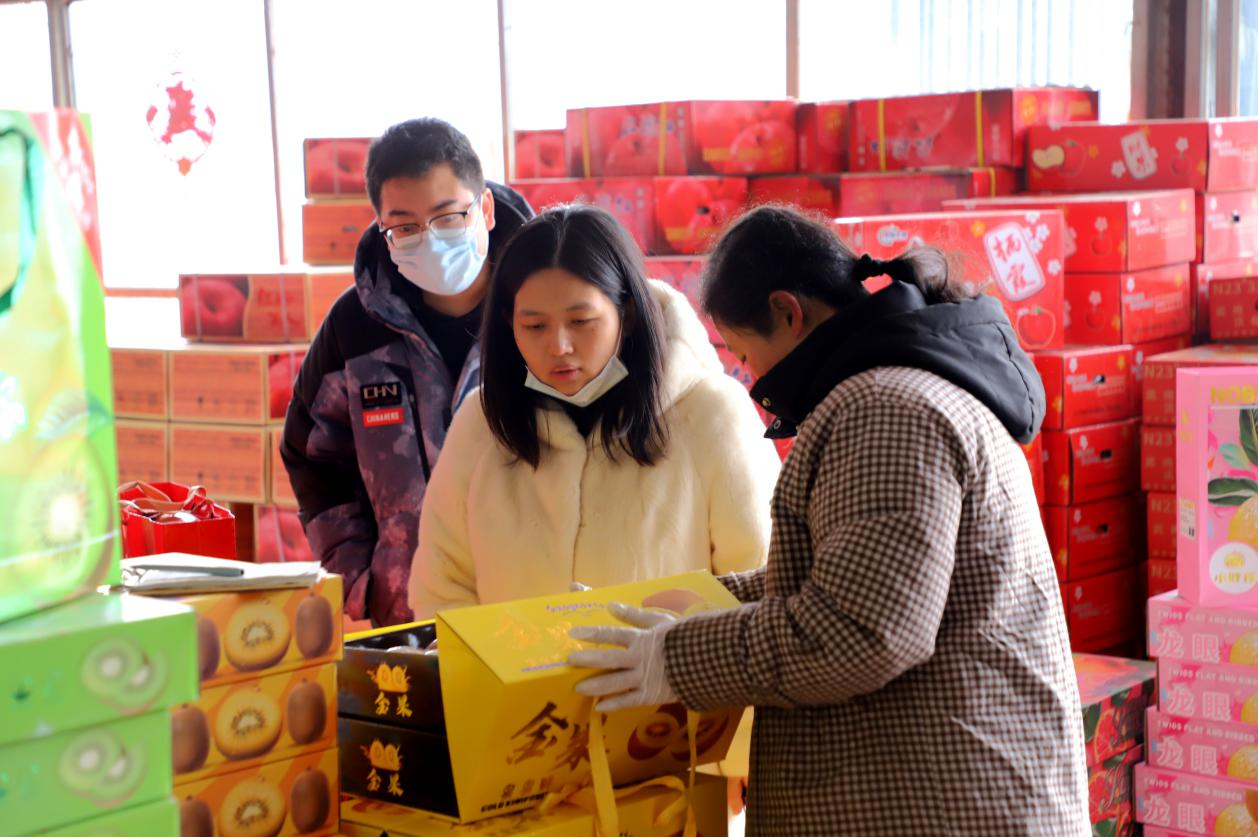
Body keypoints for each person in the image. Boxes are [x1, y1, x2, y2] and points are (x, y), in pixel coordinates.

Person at [569, 205, 1089, 835]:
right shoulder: (900, 388)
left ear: (788, 313)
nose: (755, 379)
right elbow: (843, 575)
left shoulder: (883, 409)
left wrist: (676, 658)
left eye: (745, 355)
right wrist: (681, 605)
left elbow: (861, 631)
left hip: (941, 806)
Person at [408, 204, 781, 616]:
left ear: (628, 313)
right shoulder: (482, 424)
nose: (558, 346)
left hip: (676, 661)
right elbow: (442, 591)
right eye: (534, 326)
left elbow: (764, 587)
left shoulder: (714, 417)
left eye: (581, 321)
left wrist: (668, 652)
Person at [281, 118, 533, 628]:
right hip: (408, 618)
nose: (431, 240)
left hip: (531, 603)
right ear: (383, 230)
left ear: (484, 209)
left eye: (448, 217)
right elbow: (311, 452)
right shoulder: (355, 327)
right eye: (406, 227)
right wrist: (360, 579)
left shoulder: (541, 307)